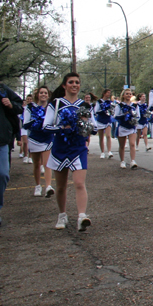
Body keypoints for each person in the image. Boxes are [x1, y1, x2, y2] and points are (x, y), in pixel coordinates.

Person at [44, 73, 94, 232]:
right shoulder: (56, 104)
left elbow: (95, 127)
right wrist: (62, 128)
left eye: (77, 82)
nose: (74, 85)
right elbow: (46, 126)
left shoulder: (85, 105)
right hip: (60, 148)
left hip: (78, 148)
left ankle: (81, 216)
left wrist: (85, 126)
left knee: (79, 183)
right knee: (60, 186)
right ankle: (62, 215)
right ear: (64, 86)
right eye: (71, 82)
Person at [0, 80, 23, 226]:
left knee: (2, 174)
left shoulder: (0, 89)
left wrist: (11, 105)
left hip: (0, 141)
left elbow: (19, 107)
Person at [24, 87, 55, 198]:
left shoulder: (51, 107)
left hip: (47, 138)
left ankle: (48, 187)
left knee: (47, 163)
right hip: (34, 139)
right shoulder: (30, 107)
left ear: (48, 95)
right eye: (41, 92)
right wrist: (36, 120)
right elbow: (25, 124)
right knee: (37, 164)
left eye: (45, 93)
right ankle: (37, 185)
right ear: (37, 94)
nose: (43, 94)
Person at [113, 88, 140, 170]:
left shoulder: (135, 105)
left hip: (131, 127)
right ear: (123, 95)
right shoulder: (119, 105)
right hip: (122, 127)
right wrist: (125, 116)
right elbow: (116, 116)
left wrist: (133, 119)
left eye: (130, 94)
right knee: (122, 145)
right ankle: (122, 161)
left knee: (132, 144)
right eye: (127, 94)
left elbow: (138, 116)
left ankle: (132, 161)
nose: (128, 95)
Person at [93, 88, 114, 159]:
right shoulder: (99, 101)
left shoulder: (110, 102)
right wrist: (103, 110)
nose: (109, 94)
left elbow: (112, 110)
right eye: (108, 93)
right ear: (104, 93)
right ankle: (102, 152)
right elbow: (96, 111)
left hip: (108, 120)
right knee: (101, 137)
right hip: (100, 121)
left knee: (108, 136)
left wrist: (111, 110)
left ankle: (109, 151)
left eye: (109, 93)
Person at [19, 94, 33, 163]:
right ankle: (25, 156)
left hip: (31, 128)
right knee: (25, 142)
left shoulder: (34, 108)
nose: (29, 100)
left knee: (30, 142)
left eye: (30, 99)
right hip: (24, 127)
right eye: (28, 99)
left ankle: (30, 157)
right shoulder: (23, 109)